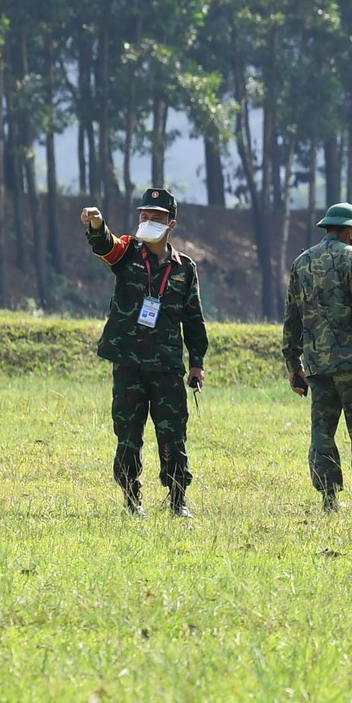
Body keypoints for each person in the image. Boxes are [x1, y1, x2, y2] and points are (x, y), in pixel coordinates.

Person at [81, 188, 208, 518]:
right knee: (127, 435)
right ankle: (131, 498)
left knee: (173, 435)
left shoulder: (184, 268)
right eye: (144, 215)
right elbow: (104, 245)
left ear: (172, 224)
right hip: (128, 363)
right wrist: (97, 226)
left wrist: (197, 363)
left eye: (156, 217)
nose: (148, 220)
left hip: (166, 366)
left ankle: (178, 500)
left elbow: (193, 318)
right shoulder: (127, 253)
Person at [282, 202, 352, 513]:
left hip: (317, 367)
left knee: (322, 432)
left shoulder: (301, 263)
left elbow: (291, 318)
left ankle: (329, 498)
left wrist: (294, 364)